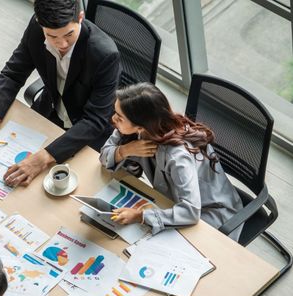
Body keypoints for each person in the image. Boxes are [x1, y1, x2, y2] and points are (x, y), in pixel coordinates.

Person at [0, 0, 121, 187]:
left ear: (80, 18)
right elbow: (13, 74)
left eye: (68, 34)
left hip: (86, 134)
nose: (61, 44)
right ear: (41, 24)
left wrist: (43, 158)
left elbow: (95, 120)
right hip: (49, 114)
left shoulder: (105, 54)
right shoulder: (36, 27)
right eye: (52, 36)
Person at [99, 83, 244, 241]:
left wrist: (140, 216)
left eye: (119, 117)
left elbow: (191, 211)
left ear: (141, 126)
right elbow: (104, 156)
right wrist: (125, 150)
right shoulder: (136, 128)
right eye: (115, 112)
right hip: (172, 202)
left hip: (210, 214)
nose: (113, 119)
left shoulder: (178, 156)